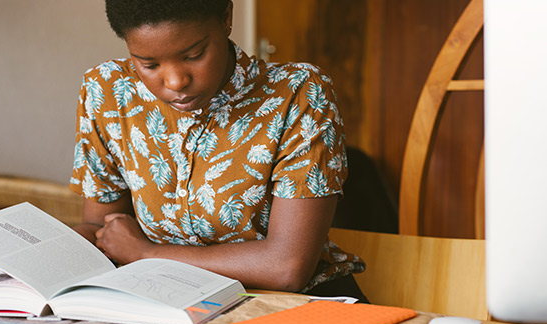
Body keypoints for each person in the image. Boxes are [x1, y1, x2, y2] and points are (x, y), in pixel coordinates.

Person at [70, 0, 368, 301]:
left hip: (296, 306)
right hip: (165, 303)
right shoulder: (108, 92)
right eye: (149, 64)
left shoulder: (298, 94)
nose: (175, 81)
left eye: (194, 55)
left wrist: (148, 254)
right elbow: (103, 230)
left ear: (226, 17)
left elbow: (287, 267)